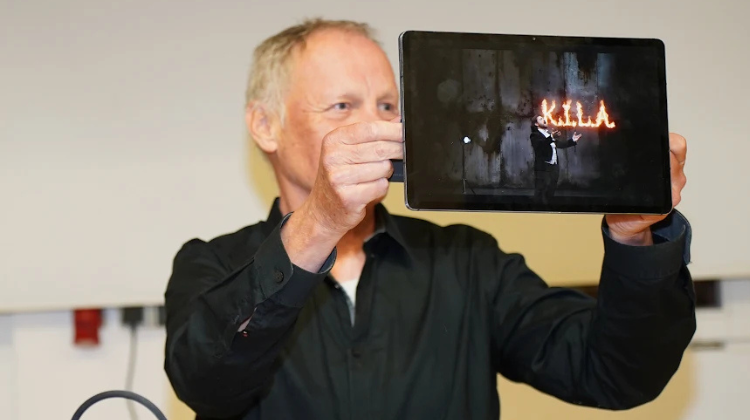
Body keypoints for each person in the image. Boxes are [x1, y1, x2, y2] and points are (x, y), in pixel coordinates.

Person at [164, 19, 695, 420]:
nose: (377, 127)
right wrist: (319, 222)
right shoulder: (213, 265)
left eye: (388, 106)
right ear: (265, 125)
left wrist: (634, 237)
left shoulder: (466, 261)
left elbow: (614, 373)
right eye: (343, 106)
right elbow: (206, 383)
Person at [529, 115, 582, 202]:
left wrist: (572, 141)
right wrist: (552, 137)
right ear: (536, 124)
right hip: (543, 168)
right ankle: (538, 209)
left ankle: (549, 208)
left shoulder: (548, 134)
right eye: (541, 119)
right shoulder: (535, 135)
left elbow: (559, 144)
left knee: (550, 191)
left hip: (554, 167)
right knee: (541, 192)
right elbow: (540, 146)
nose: (544, 120)